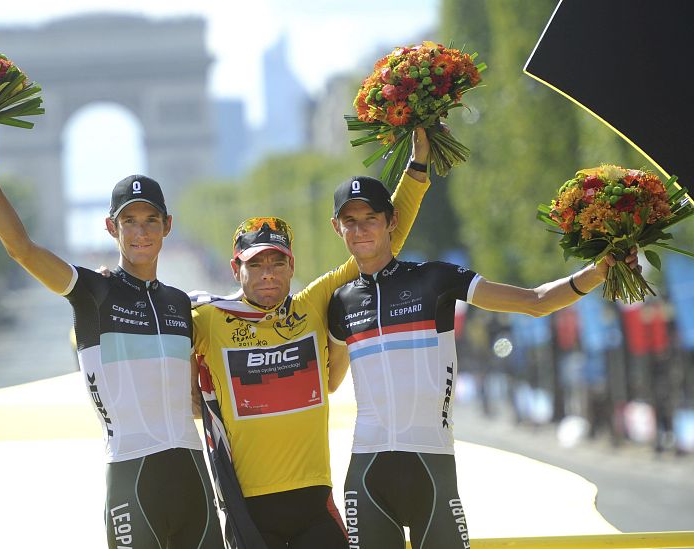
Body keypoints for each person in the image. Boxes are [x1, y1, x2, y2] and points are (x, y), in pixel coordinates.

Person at [325, 176, 640, 549]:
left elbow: (535, 301)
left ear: (392, 220)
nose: (360, 229)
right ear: (337, 228)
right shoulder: (340, 302)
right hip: (366, 473)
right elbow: (330, 382)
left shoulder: (435, 279)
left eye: (370, 218)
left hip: (432, 467)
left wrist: (596, 273)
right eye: (350, 221)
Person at [0, 132, 224, 549]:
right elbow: (20, 249)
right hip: (133, 478)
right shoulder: (93, 292)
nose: (141, 232)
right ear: (111, 226)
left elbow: (192, 397)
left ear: (168, 225)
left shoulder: (180, 303)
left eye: (151, 220)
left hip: (193, 473)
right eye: (129, 220)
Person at [189, 129, 433, 548]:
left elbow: (381, 243)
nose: (267, 274)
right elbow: (146, 330)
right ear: (236, 270)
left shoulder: (313, 303)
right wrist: (114, 289)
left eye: (276, 263)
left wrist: (418, 167)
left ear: (291, 265)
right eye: (255, 264)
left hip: (314, 502)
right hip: (248, 508)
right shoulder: (209, 318)